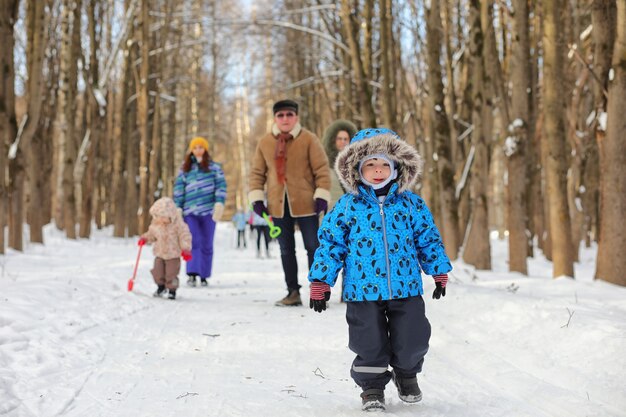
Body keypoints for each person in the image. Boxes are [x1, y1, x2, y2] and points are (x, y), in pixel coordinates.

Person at [307, 128, 452, 412]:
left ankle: (406, 374)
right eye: (370, 164)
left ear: (398, 167)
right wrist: (321, 282)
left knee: (413, 336)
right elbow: (330, 244)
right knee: (368, 340)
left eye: (385, 164)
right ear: (356, 169)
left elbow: (428, 238)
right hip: (362, 289)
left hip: (406, 285)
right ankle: (372, 387)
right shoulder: (348, 206)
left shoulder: (411, 203)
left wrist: (438, 271)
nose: (378, 171)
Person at [248, 99, 331, 306]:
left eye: (289, 115)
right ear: (275, 118)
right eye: (280, 115)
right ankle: (292, 292)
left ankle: (318, 291)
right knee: (286, 250)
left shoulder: (309, 139)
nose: (285, 119)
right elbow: (257, 173)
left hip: (307, 204)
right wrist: (257, 198)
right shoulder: (265, 142)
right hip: (277, 205)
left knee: (313, 247)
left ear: (296, 117)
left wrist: (321, 195)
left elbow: (321, 169)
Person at [173, 136, 227, 287]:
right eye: (195, 147)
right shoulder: (185, 169)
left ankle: (204, 275)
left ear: (205, 149)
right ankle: (192, 274)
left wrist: (219, 203)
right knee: (193, 242)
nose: (198, 150)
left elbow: (221, 186)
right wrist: (178, 206)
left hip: (209, 212)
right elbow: (178, 188)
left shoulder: (214, 167)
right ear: (191, 150)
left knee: (207, 243)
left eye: (201, 147)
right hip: (190, 212)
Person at [138, 197, 193, 300]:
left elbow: (185, 236)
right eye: (158, 216)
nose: (160, 219)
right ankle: (161, 287)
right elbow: (151, 234)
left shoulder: (179, 225)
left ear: (171, 215)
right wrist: (145, 238)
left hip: (173, 255)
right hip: (159, 253)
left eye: (163, 217)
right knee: (157, 272)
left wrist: (186, 249)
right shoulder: (156, 224)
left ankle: (172, 290)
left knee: (171, 274)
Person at [321, 119, 357, 209]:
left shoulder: (357, 162)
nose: (343, 141)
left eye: (346, 139)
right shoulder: (324, 163)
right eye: (339, 139)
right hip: (333, 210)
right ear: (333, 140)